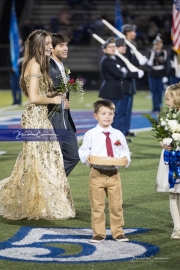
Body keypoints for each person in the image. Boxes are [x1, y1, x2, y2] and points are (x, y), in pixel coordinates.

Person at [0, 29, 75, 220]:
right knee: (37, 161)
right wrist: (55, 101)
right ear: (38, 45)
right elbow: (33, 98)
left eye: (51, 43)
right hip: (35, 119)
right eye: (48, 43)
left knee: (42, 161)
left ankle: (41, 201)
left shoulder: (38, 64)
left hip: (41, 117)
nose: (51, 46)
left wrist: (53, 95)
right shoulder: (34, 65)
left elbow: (39, 93)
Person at [79, 100, 131, 243]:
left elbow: (124, 152)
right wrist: (87, 157)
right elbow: (83, 151)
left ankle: (118, 231)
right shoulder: (90, 134)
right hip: (97, 174)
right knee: (97, 205)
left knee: (116, 205)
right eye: (103, 114)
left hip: (114, 174)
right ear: (96, 116)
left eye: (110, 113)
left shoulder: (118, 134)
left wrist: (125, 159)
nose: (107, 117)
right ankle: (98, 233)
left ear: (114, 115)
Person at [48, 33, 79, 176]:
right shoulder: (48, 67)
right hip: (54, 119)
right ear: (52, 48)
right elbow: (41, 93)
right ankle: (49, 187)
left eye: (66, 45)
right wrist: (60, 103)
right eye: (61, 45)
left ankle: (53, 183)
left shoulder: (60, 65)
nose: (65, 48)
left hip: (65, 120)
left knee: (73, 156)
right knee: (52, 159)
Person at [156, 84, 180, 239]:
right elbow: (161, 137)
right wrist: (164, 144)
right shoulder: (167, 116)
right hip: (169, 158)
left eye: (168, 99)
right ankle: (177, 228)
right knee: (172, 193)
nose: (166, 102)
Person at [99, 37, 128, 139]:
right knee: (109, 116)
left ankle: (117, 138)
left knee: (114, 115)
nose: (112, 48)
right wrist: (123, 72)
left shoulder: (113, 59)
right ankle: (114, 139)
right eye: (109, 47)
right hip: (110, 91)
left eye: (113, 47)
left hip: (115, 90)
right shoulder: (106, 60)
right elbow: (118, 73)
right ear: (105, 49)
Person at [121, 24, 147, 137]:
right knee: (122, 109)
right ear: (127, 33)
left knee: (128, 108)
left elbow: (133, 61)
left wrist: (141, 61)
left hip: (131, 79)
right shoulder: (123, 44)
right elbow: (125, 62)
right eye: (133, 31)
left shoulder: (132, 45)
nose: (135, 33)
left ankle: (126, 129)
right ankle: (121, 131)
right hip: (125, 79)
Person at [115, 37, 144, 137]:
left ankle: (124, 131)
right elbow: (124, 73)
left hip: (128, 87)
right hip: (122, 88)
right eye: (122, 46)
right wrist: (136, 74)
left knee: (125, 112)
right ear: (117, 47)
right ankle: (120, 134)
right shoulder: (116, 58)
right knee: (120, 113)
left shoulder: (124, 57)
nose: (124, 48)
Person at [147, 34, 168, 112]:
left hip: (161, 74)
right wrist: (152, 53)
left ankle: (159, 106)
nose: (158, 45)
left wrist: (166, 75)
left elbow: (166, 64)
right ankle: (155, 107)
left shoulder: (164, 53)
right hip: (153, 73)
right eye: (156, 43)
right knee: (153, 91)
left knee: (160, 91)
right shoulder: (151, 52)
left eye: (159, 43)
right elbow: (148, 64)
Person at [9, 38, 24, 105]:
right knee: (13, 87)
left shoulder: (23, 51)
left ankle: (20, 101)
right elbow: (8, 61)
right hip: (13, 72)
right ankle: (15, 101)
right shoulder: (12, 51)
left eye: (19, 40)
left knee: (19, 87)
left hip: (20, 72)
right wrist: (11, 67)